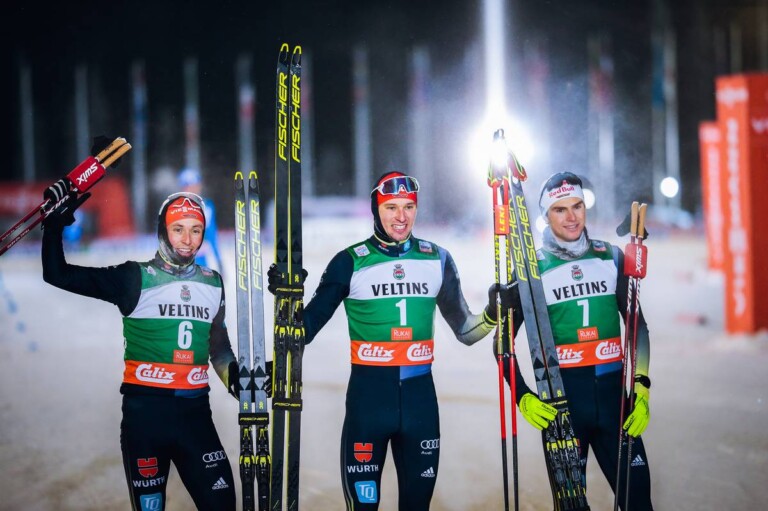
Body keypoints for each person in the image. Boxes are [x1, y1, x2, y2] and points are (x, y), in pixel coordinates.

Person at [267, 171, 513, 511]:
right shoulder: (349, 261)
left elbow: (466, 332)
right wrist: (286, 298)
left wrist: (492, 313)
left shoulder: (437, 259)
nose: (401, 216)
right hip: (369, 404)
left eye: (409, 206)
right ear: (376, 209)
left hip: (420, 405)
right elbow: (305, 329)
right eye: (391, 207)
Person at [41, 188, 239, 511]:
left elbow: (219, 351)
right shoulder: (134, 278)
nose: (188, 240)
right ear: (163, 230)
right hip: (145, 420)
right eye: (179, 229)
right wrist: (53, 226)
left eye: (196, 230)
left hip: (196, 419)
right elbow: (57, 273)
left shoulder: (213, 283)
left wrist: (239, 383)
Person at [506, 171, 653, 510]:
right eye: (560, 210)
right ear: (546, 215)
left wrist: (641, 388)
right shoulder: (531, 269)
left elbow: (637, 327)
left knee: (639, 504)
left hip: (617, 403)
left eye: (577, 206)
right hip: (563, 409)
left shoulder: (611, 257)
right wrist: (523, 397)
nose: (572, 217)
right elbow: (503, 346)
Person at [178, 167, 223, 274]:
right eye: (188, 187)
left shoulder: (207, 206)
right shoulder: (174, 208)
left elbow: (212, 235)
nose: (192, 190)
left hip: (201, 262)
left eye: (195, 186)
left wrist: (219, 260)